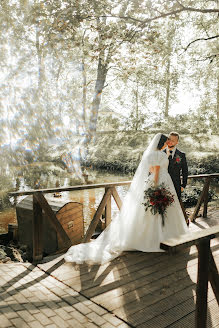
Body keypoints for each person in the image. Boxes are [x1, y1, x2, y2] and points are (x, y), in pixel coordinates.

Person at [64, 133, 189, 265]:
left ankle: (150, 237)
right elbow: (157, 172)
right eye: (167, 140)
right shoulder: (160, 154)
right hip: (161, 183)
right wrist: (157, 187)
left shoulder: (150, 154)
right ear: (162, 143)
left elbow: (151, 170)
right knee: (161, 211)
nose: (168, 142)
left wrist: (153, 182)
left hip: (154, 181)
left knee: (150, 212)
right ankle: (162, 237)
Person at [164, 132, 188, 200]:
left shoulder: (181, 155)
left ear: (177, 142)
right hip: (162, 185)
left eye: (173, 140)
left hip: (176, 187)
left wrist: (183, 185)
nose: (170, 142)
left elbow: (185, 171)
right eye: (169, 139)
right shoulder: (160, 153)